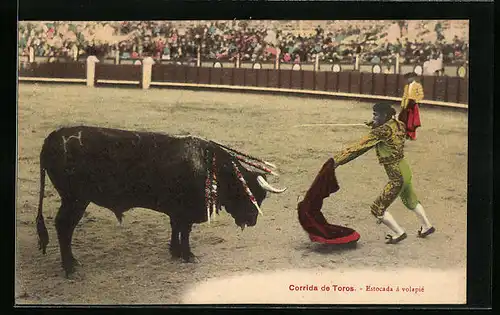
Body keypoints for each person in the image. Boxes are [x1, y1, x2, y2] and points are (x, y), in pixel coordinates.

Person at [333, 102, 435, 244]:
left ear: (385, 115)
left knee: (377, 208)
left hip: (396, 176)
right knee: (411, 200)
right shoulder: (399, 124)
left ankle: (399, 233)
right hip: (405, 170)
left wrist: (337, 160)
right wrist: (375, 123)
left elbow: (359, 148)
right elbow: (389, 130)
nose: (373, 117)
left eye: (376, 115)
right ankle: (427, 226)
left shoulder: (380, 132)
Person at [399, 72, 424, 140]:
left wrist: (416, 101)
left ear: (413, 78)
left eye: (408, 78)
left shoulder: (418, 85)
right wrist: (402, 105)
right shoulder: (406, 86)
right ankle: (406, 134)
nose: (407, 80)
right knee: (405, 120)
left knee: (412, 122)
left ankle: (412, 136)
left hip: (413, 104)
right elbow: (404, 96)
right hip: (407, 104)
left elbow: (421, 95)